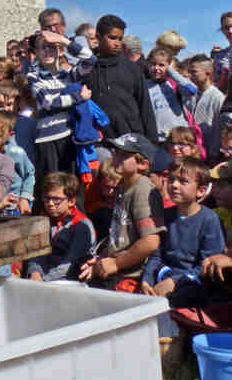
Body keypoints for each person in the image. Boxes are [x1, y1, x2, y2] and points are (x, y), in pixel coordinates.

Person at [80, 133, 165, 291]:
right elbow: (120, 237)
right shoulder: (124, 186)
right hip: (117, 269)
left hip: (130, 276)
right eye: (116, 153)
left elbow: (151, 241)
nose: (116, 157)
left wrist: (116, 263)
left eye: (124, 155)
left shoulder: (143, 189)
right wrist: (102, 258)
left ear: (143, 164)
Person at [141, 158, 226, 307]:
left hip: (195, 284)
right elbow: (156, 255)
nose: (174, 185)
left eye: (183, 181)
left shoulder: (210, 220)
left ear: (201, 190)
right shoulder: (166, 215)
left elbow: (208, 265)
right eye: (172, 179)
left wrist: (174, 282)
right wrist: (146, 280)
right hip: (165, 276)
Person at [26, 28, 95, 188]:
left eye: (52, 46)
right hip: (47, 141)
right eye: (43, 47)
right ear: (36, 52)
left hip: (69, 139)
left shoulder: (68, 75)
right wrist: (79, 98)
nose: (48, 51)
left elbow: (90, 60)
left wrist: (64, 40)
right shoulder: (34, 76)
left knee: (72, 189)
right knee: (52, 189)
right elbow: (49, 103)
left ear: (59, 50)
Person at [84, 15, 158, 143]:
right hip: (99, 143)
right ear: (98, 37)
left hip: (132, 142)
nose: (117, 43)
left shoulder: (132, 69)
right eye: (112, 38)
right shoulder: (86, 70)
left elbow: (145, 107)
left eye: (120, 39)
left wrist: (152, 144)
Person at [26, 172, 95, 282]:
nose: (50, 203)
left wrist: (44, 282)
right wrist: (35, 272)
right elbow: (36, 253)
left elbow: (69, 265)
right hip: (42, 278)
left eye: (56, 199)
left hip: (69, 281)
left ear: (71, 201)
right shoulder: (44, 219)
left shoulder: (82, 226)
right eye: (47, 198)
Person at [144, 47, 190, 143]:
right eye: (153, 64)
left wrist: (172, 72)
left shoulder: (174, 84)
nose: (156, 68)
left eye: (161, 65)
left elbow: (192, 90)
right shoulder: (143, 86)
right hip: (157, 139)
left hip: (178, 137)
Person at [188, 54, 225, 164]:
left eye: (194, 72)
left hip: (210, 156)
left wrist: (214, 154)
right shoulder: (191, 95)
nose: (190, 76)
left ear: (207, 74)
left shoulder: (217, 98)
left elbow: (221, 130)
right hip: (193, 153)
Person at [0, 109, 35, 214]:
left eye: (0, 132)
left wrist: (25, 198)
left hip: (13, 206)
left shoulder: (16, 152)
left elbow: (29, 174)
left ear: (11, 134)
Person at [213, 12, 232, 94]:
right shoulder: (220, 56)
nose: (230, 31)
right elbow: (219, 90)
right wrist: (225, 76)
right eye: (226, 27)